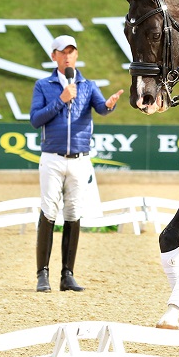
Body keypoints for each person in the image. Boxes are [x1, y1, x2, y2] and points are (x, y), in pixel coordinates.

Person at [30, 35, 124, 293]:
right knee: (48, 211)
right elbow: (35, 119)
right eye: (62, 52)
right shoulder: (43, 85)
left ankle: (67, 275)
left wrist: (109, 105)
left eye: (71, 52)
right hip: (52, 157)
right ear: (54, 56)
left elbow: (101, 109)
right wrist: (60, 99)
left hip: (80, 159)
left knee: (73, 213)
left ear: (76, 55)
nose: (67, 56)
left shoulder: (87, 85)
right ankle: (43, 275)